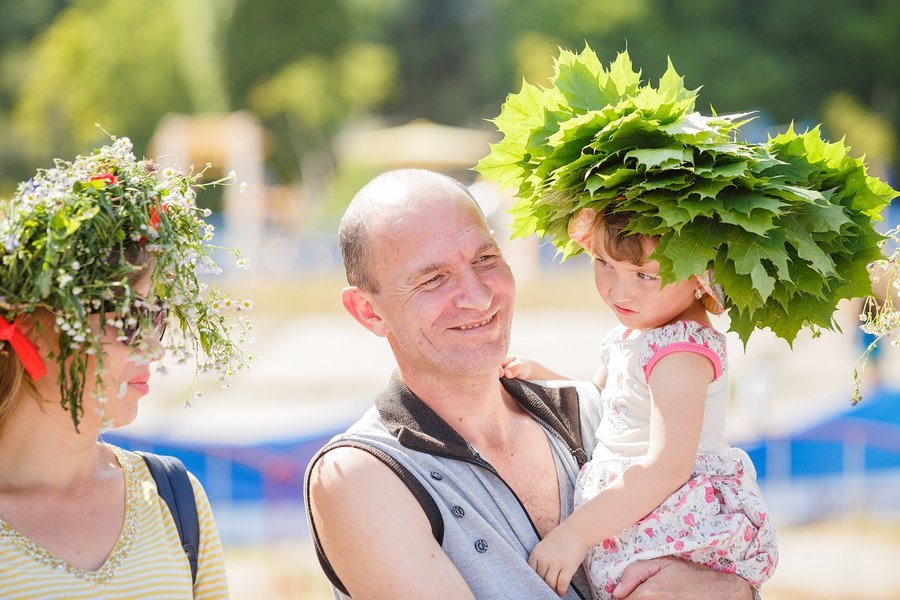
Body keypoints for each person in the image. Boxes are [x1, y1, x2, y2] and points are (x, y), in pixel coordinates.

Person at [304, 168, 758, 599]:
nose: (479, 296)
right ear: (369, 311)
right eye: (433, 278)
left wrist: (733, 590)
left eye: (485, 259)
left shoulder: (597, 412)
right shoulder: (362, 475)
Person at [0, 136, 251, 599]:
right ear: (35, 324)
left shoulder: (176, 497)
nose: (155, 348)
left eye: (158, 316)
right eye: (130, 318)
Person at [502, 205, 777, 598]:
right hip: (631, 511)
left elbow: (668, 465)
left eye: (644, 275)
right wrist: (540, 374)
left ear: (700, 274)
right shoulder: (639, 331)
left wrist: (575, 534)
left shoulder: (681, 351)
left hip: (671, 524)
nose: (618, 290)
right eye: (604, 263)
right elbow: (607, 402)